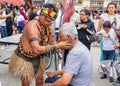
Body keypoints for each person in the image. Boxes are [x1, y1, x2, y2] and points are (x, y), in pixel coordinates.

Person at [9, 4, 71, 86]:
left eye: (52, 20)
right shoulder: (32, 25)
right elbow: (36, 49)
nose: (50, 22)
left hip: (37, 57)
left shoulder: (49, 28)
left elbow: (53, 43)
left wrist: (63, 41)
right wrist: (57, 46)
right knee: (26, 81)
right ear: (41, 15)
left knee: (40, 79)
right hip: (25, 58)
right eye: (48, 19)